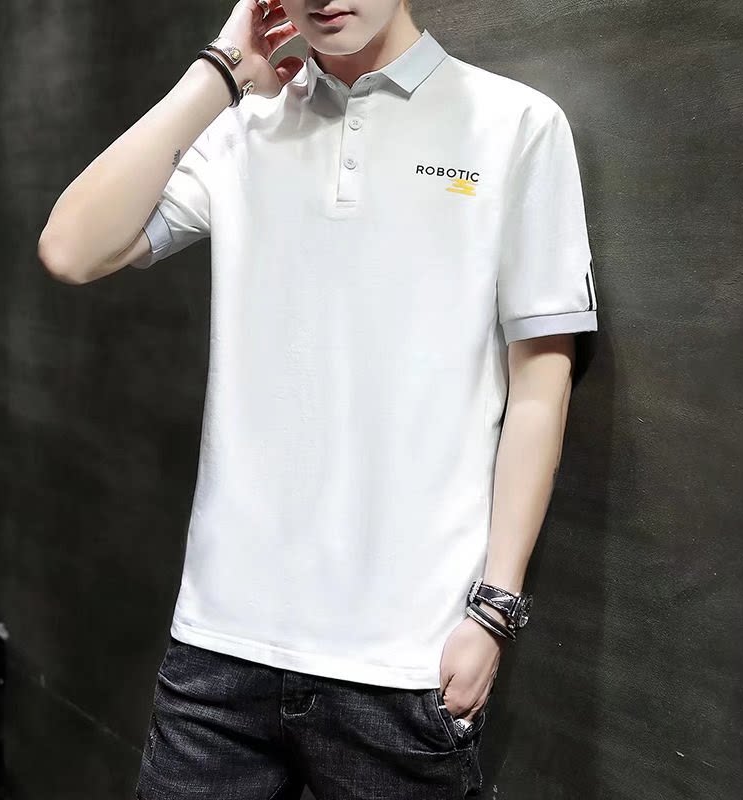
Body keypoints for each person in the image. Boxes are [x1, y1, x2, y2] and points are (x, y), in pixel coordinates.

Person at [37, 0, 599, 797]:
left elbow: (542, 384)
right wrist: (221, 72)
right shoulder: (244, 127)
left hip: (406, 664)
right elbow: (71, 248)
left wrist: (494, 612)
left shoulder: (517, 125)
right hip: (218, 655)